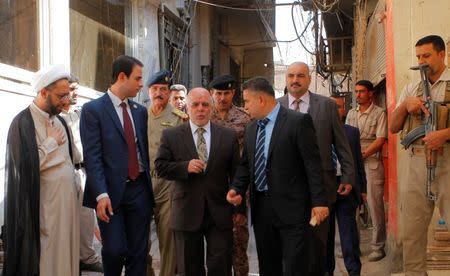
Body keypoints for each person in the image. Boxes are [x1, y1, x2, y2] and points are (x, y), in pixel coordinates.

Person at [227, 77, 329, 276]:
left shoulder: (297, 122)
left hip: (294, 211)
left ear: (262, 100)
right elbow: (246, 166)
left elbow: (313, 164)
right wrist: (236, 189)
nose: (245, 106)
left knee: (294, 267)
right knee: (268, 266)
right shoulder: (251, 129)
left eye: (247, 101)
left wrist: (319, 202)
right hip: (262, 210)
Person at [80, 55, 155, 275]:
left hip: (139, 189)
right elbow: (92, 157)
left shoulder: (140, 112)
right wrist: (101, 194)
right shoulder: (93, 110)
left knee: (138, 253)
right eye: (138, 78)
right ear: (122, 77)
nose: (142, 84)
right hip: (110, 194)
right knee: (113, 250)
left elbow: (141, 151)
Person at [278, 62, 355, 275]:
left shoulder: (326, 106)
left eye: (300, 76)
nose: (295, 80)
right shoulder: (276, 107)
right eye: (291, 75)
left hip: (322, 188)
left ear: (309, 79)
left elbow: (341, 143)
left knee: (319, 245)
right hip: (287, 190)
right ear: (286, 78)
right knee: (290, 246)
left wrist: (348, 176)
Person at [3, 64, 80, 276]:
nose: (66, 101)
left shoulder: (61, 121)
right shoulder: (22, 123)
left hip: (67, 211)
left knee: (68, 260)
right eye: (61, 96)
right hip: (45, 214)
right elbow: (23, 168)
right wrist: (50, 143)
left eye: (67, 95)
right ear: (44, 92)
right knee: (48, 262)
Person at [155, 88, 240, 276]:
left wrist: (237, 205)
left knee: (221, 266)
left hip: (219, 212)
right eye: (195, 104)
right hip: (186, 211)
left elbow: (237, 174)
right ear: (187, 107)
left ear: (211, 108)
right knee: (190, 268)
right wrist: (184, 167)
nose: (200, 109)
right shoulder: (172, 135)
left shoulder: (227, 136)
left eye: (205, 105)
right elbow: (160, 167)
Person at [389, 35, 450, 275]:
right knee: (412, 235)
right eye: (418, 57)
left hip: (447, 162)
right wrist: (405, 105)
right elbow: (393, 128)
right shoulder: (411, 88)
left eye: (426, 56)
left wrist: (443, 134)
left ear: (442, 54)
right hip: (415, 163)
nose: (421, 61)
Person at [60, 76, 104, 272]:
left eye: (76, 89)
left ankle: (87, 256)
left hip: (83, 171)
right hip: (65, 173)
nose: (75, 93)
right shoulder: (55, 118)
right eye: (71, 89)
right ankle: (67, 257)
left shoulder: (79, 115)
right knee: (66, 218)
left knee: (87, 217)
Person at [146, 69, 187, 276]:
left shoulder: (180, 118)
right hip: (143, 183)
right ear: (148, 91)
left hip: (168, 184)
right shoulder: (138, 115)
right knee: (140, 237)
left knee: (168, 238)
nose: (159, 93)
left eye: (163, 89)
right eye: (155, 89)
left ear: (169, 93)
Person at [209, 74, 251, 276]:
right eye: (218, 93)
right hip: (212, 188)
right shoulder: (205, 116)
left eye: (226, 93)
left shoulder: (245, 117)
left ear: (233, 93)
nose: (222, 97)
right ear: (212, 94)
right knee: (216, 244)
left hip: (237, 186)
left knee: (238, 241)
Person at [346, 80, 387, 262]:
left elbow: (380, 140)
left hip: (371, 162)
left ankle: (378, 247)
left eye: (362, 91)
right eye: (356, 92)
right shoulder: (350, 113)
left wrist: (361, 154)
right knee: (350, 205)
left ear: (370, 93)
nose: (359, 95)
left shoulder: (379, 113)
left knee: (374, 205)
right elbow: (345, 136)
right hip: (352, 162)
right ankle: (353, 246)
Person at [329, 95, 367, 276]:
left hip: (347, 187)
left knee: (348, 234)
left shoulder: (352, 132)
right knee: (326, 237)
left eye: (339, 106)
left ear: (344, 110)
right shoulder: (315, 131)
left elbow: (358, 163)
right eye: (332, 106)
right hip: (326, 188)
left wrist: (363, 189)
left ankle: (353, 271)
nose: (336, 110)